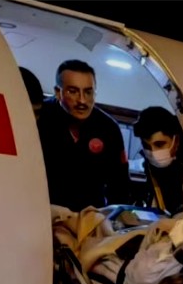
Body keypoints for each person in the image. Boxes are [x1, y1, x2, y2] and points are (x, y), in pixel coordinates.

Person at [37, 59, 132, 212]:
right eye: (73, 91)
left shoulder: (109, 128)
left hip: (90, 217)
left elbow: (120, 185)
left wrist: (111, 219)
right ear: (58, 92)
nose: (82, 100)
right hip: (42, 212)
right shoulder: (40, 118)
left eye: (88, 92)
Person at [132, 106, 183, 214]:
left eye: (159, 144)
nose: (153, 153)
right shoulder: (149, 167)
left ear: (176, 141)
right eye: (147, 146)